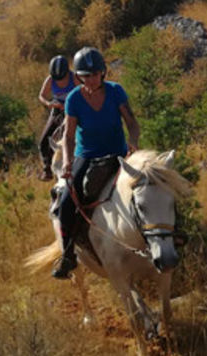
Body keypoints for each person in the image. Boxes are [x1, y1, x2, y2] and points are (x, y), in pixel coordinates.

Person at [52, 46, 140, 279]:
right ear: (78, 76)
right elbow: (68, 137)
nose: (90, 79)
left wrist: (133, 143)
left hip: (118, 153)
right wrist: (69, 162)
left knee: (150, 186)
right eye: (85, 75)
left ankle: (166, 237)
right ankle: (68, 254)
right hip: (87, 155)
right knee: (66, 201)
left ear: (103, 73)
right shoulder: (74, 99)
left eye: (95, 74)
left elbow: (131, 123)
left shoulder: (115, 91)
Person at [36, 55, 78, 181]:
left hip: (73, 111)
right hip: (57, 110)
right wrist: (49, 104)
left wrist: (71, 105)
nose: (59, 81)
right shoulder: (50, 80)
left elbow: (84, 92)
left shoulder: (74, 78)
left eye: (62, 78)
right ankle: (47, 169)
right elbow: (41, 95)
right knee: (44, 140)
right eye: (57, 79)